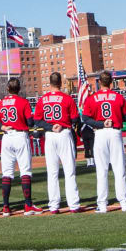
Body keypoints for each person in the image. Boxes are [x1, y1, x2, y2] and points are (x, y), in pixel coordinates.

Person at [82, 71, 126, 214]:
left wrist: (101, 123)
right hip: (115, 132)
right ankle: (124, 203)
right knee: (119, 168)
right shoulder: (118, 97)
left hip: (100, 133)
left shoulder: (92, 98)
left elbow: (85, 118)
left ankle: (102, 204)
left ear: (99, 82)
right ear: (111, 82)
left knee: (102, 170)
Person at [0, 79, 39, 215]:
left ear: (7, 88)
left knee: (7, 173)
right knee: (25, 171)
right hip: (20, 136)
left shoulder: (1, 103)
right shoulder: (23, 102)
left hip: (7, 137)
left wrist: (2, 126)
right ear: (19, 88)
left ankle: (6, 207)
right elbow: (30, 122)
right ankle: (28, 205)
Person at [37, 73, 80, 213]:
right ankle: (73, 204)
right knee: (69, 171)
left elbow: (37, 121)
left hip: (50, 135)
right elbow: (75, 119)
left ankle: (54, 206)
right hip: (64, 133)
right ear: (60, 83)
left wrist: (50, 127)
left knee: (52, 172)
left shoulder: (43, 99)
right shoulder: (67, 98)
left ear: (49, 83)